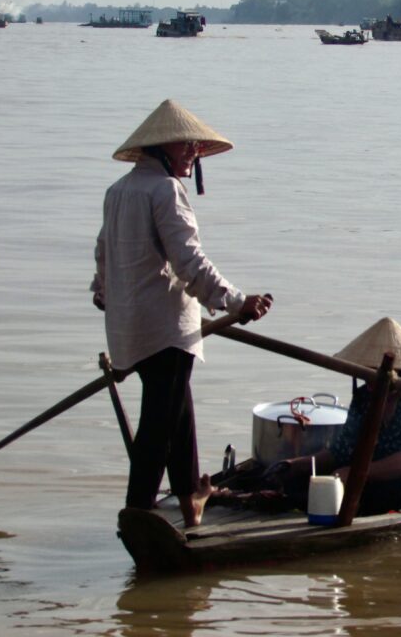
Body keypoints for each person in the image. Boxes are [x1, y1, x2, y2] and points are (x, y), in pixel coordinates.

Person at [91, 99, 274, 527]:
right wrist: (236, 301)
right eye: (186, 145)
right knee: (159, 421)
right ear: (162, 148)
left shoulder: (119, 190)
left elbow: (103, 255)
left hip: (129, 328)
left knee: (176, 411)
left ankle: (191, 493)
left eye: (194, 146)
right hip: (163, 330)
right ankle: (137, 512)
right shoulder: (165, 190)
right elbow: (188, 261)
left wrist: (104, 291)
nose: (193, 152)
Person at [271, 317, 401, 515]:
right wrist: (296, 465)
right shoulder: (364, 397)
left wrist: (354, 474)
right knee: (300, 479)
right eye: (367, 373)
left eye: (375, 373)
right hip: (380, 475)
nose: (370, 381)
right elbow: (341, 451)